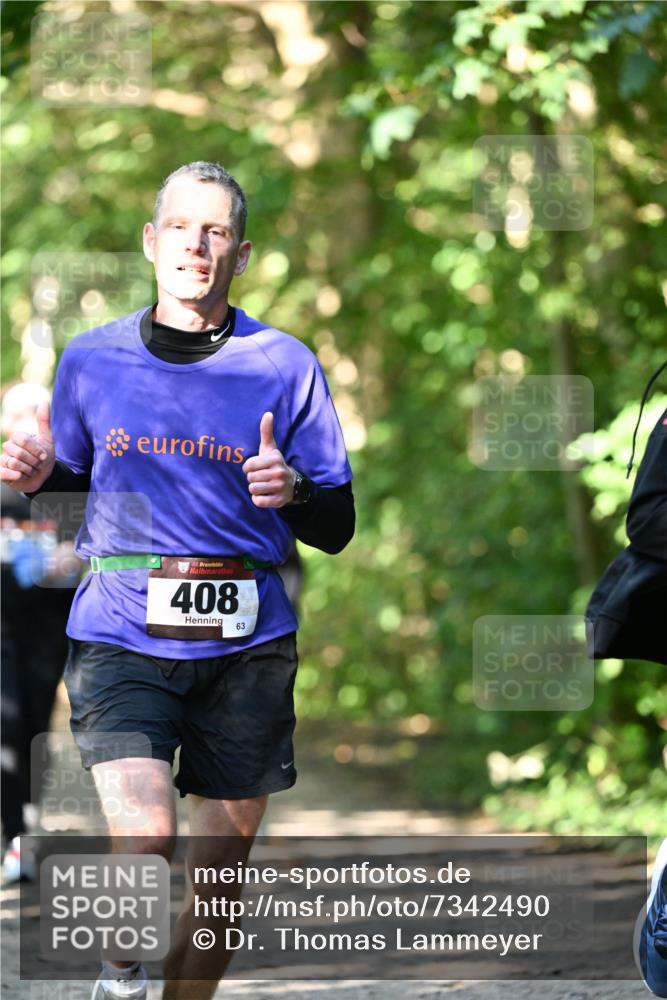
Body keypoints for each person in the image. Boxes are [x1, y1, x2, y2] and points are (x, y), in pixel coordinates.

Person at [0, 161, 355, 1000]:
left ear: (241, 254)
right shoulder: (92, 359)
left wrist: (293, 491)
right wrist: (38, 479)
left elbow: (336, 524)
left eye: (217, 231)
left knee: (219, 877)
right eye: (181, 228)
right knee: (146, 836)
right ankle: (120, 974)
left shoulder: (284, 363)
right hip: (122, 627)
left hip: (248, 643)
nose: (197, 245)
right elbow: (73, 490)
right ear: (151, 242)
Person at [0, 383, 82, 883]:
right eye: (19, 416)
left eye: (38, 416)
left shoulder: (65, 485)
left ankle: (24, 831)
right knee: (5, 726)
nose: (29, 425)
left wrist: (71, 559)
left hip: (51, 628)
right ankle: (13, 838)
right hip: (1, 626)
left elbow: (99, 544)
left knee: (33, 729)